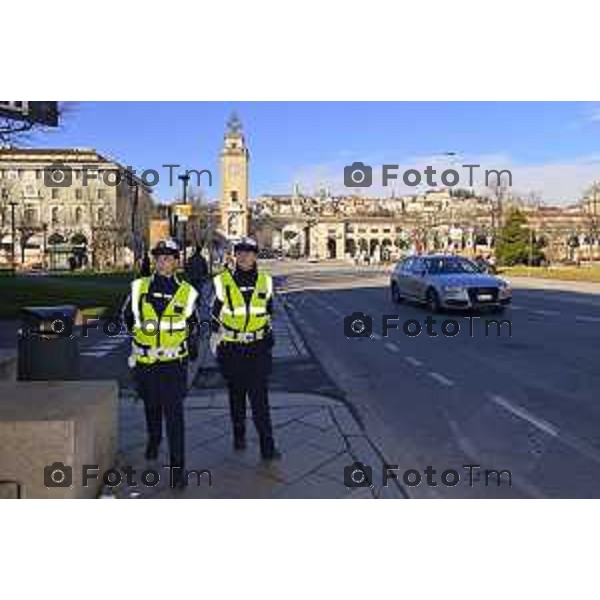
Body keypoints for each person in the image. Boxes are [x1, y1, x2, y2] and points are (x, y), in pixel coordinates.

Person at [121, 238, 200, 489]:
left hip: (173, 364)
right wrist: (139, 340)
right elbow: (125, 317)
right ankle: (154, 440)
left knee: (174, 415)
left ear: (177, 262)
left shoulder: (188, 292)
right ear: (154, 261)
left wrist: (191, 348)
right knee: (151, 406)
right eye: (159, 257)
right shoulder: (139, 287)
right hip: (145, 362)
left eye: (169, 257)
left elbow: (194, 325)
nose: (163, 262)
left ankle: (178, 469)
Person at [211, 237, 281, 461]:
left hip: (258, 348)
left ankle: (267, 446)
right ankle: (239, 434)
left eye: (249, 252)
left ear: (255, 255)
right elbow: (214, 314)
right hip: (232, 348)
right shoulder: (222, 281)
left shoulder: (266, 281)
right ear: (234, 255)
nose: (244, 256)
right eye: (240, 252)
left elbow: (269, 311)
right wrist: (216, 337)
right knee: (237, 395)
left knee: (260, 398)